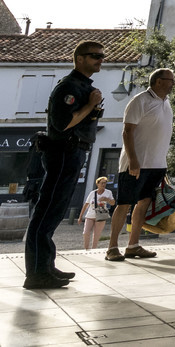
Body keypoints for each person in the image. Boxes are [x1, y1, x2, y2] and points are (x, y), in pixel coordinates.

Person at [24, 40, 106, 289]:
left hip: (72, 152)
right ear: (79, 59)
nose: (100, 60)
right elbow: (62, 124)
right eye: (95, 56)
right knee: (47, 211)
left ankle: (45, 266)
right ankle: (37, 272)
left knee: (55, 211)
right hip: (62, 153)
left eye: (102, 56)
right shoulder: (69, 87)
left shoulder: (82, 86)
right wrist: (91, 105)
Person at [106, 68, 175, 261]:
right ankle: (112, 247)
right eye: (170, 80)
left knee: (144, 202)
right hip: (135, 163)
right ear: (158, 81)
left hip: (157, 163)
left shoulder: (166, 103)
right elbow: (127, 131)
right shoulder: (140, 101)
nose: (173, 84)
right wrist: (133, 160)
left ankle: (133, 245)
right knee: (124, 203)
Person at [77, 177, 115, 251]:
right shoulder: (92, 193)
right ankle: (86, 249)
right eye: (102, 183)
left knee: (96, 235)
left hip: (101, 215)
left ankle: (94, 250)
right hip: (90, 215)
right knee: (86, 232)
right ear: (97, 184)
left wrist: (106, 199)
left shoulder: (108, 192)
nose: (103, 184)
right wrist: (80, 217)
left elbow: (113, 203)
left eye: (105, 183)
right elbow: (86, 205)